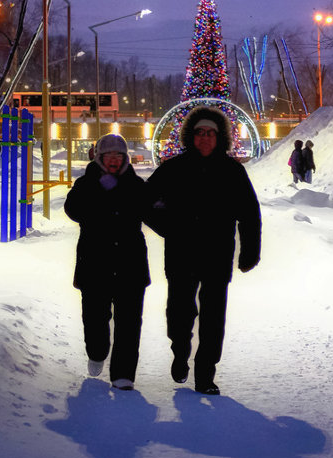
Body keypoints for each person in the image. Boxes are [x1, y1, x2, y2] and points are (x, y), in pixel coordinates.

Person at [146, 107, 261, 396]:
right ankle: (180, 351)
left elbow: (249, 214)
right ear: (191, 136)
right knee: (179, 313)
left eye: (211, 133)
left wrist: (250, 252)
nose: (205, 138)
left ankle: (205, 374)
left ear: (219, 136)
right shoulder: (173, 168)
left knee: (213, 317)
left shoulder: (233, 172)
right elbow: (144, 203)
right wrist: (168, 227)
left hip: (218, 255)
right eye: (200, 132)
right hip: (181, 254)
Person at [64, 133, 156, 391]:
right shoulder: (86, 183)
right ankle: (97, 352)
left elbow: (153, 213)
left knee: (129, 322)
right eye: (109, 156)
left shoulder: (136, 185)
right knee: (95, 318)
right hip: (95, 264)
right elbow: (73, 210)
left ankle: (123, 374)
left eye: (119, 155)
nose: (114, 160)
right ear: (100, 158)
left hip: (131, 265)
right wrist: (96, 187)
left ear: (125, 158)